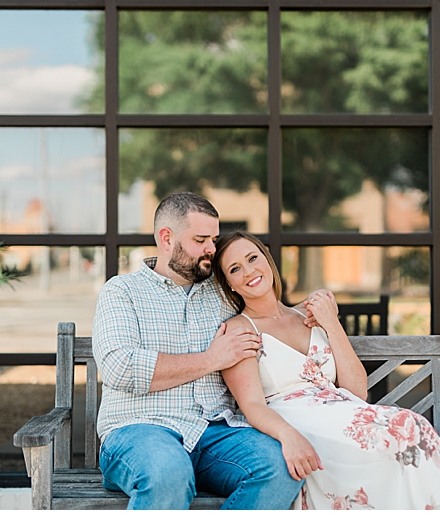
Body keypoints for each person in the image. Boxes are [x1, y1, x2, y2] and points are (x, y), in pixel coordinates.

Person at [212, 230, 440, 510]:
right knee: (402, 433)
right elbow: (252, 406)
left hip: (344, 411)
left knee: (413, 426)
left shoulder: (308, 315)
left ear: (268, 260)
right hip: (299, 425)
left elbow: (356, 390)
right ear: (229, 284)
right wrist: (289, 437)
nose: (248, 271)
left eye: (253, 258)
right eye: (235, 269)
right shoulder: (239, 330)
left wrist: (331, 322)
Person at [92, 192, 304, 509]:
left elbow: (265, 310)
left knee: (281, 467)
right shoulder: (122, 291)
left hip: (215, 433)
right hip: (140, 431)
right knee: (168, 472)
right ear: (166, 239)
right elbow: (119, 367)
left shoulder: (221, 292)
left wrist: (309, 311)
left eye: (214, 239)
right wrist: (212, 359)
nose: (211, 250)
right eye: (201, 239)